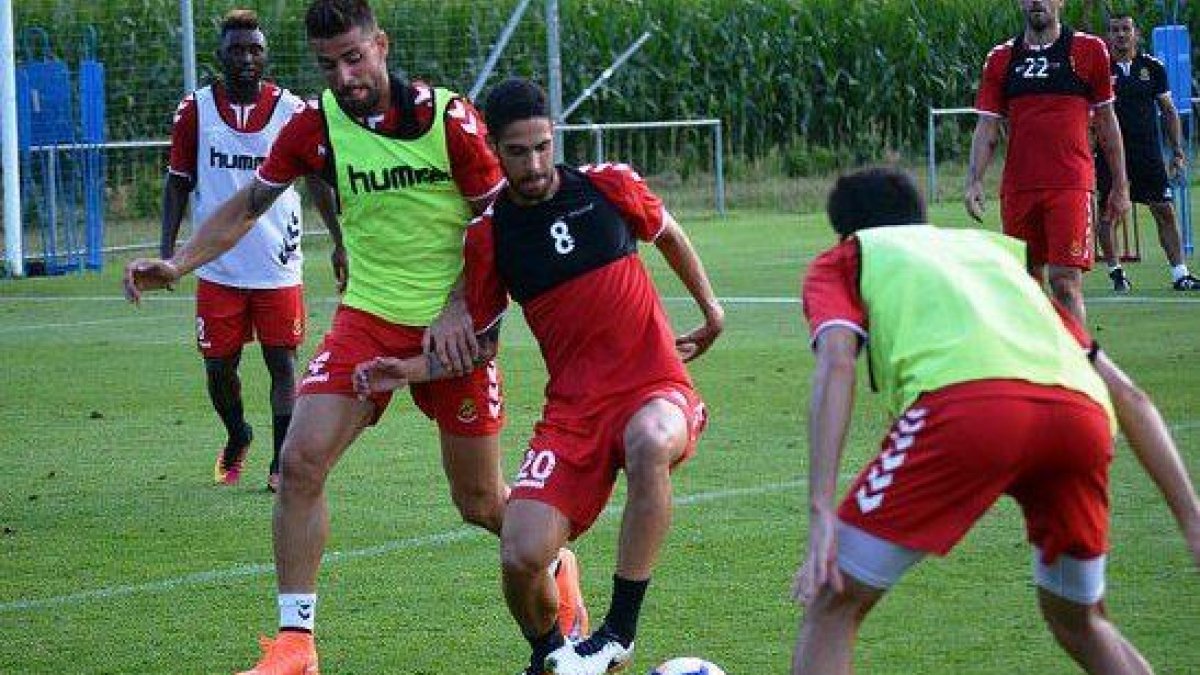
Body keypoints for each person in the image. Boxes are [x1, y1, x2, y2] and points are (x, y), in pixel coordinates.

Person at [124, 3, 585, 673]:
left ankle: (556, 560)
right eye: (327, 64)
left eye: (353, 58)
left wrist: (462, 304)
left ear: (381, 45)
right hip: (366, 320)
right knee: (302, 461)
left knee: (481, 502)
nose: (343, 76)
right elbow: (252, 202)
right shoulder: (316, 126)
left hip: (453, 333)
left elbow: (500, 221)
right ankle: (295, 644)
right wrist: (179, 261)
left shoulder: (448, 120)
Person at [354, 78, 725, 675]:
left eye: (543, 146)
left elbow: (669, 234)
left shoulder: (609, 184)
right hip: (574, 413)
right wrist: (407, 370)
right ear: (495, 152)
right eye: (519, 152)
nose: (535, 164)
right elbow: (481, 347)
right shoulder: (490, 235)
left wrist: (711, 310)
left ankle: (618, 634)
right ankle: (554, 658)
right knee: (520, 554)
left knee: (650, 442)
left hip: (655, 388)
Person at [793, 167, 1200, 674]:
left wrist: (820, 512)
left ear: (848, 231)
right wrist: (1191, 518)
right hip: (1080, 417)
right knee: (1082, 620)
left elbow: (836, 364)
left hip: (964, 414)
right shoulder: (996, 259)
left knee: (833, 602)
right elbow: (1131, 397)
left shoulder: (852, 256)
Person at [161, 9, 342, 492]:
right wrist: (167, 256)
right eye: (236, 49)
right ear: (220, 55)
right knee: (220, 369)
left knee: (282, 363)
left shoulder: (293, 112)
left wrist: (340, 243)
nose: (245, 58)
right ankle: (237, 432)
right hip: (216, 265)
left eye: (254, 49)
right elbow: (177, 185)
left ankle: (280, 465)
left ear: (266, 56)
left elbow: (318, 181)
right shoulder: (194, 110)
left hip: (277, 265)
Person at [965, 0, 1131, 321]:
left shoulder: (1089, 49)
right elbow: (987, 126)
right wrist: (973, 180)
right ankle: (1035, 367)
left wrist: (1120, 185)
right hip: (1019, 189)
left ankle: (1076, 365)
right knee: (1025, 283)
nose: (1037, 2)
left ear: (1060, 2)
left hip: (1070, 185)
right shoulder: (1001, 58)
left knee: (1065, 282)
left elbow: (1108, 122)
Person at [1096, 13, 1200, 292]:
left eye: (1126, 29)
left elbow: (1168, 110)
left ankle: (1180, 274)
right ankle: (1117, 273)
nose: (1120, 35)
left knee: (1164, 210)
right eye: (1115, 30)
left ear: (1136, 34)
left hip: (1148, 153)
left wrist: (1177, 151)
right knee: (1109, 213)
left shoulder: (1152, 67)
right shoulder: (1099, 67)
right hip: (1110, 153)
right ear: (1108, 36)